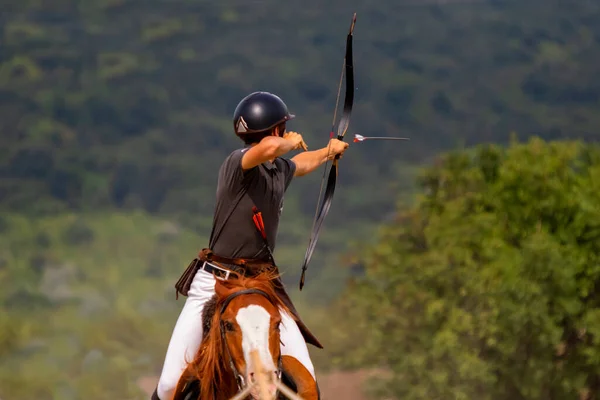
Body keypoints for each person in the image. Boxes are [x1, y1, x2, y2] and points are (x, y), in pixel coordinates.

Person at [151, 91, 349, 400]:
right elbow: (271, 148)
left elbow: (300, 164)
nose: (285, 134)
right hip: (214, 283)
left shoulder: (276, 170)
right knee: (166, 387)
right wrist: (288, 141)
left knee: (307, 384)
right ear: (275, 131)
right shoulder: (237, 166)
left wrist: (328, 151)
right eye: (283, 128)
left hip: (261, 284)